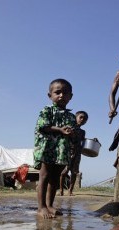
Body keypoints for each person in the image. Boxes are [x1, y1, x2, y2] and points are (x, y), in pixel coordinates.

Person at [34, 78, 76, 219]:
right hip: (47, 149)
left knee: (54, 179)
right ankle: (41, 208)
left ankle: (50, 205)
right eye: (57, 92)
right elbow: (43, 126)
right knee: (44, 176)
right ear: (50, 95)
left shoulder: (71, 116)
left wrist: (72, 133)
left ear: (71, 96)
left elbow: (72, 132)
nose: (61, 96)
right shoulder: (47, 110)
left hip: (61, 151)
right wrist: (60, 130)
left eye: (65, 93)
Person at [59, 110, 88, 196]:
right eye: (81, 117)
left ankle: (70, 191)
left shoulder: (83, 132)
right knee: (64, 171)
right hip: (68, 152)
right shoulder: (69, 128)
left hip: (77, 153)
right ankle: (61, 190)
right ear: (76, 117)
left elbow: (83, 141)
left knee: (74, 172)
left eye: (85, 119)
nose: (82, 120)